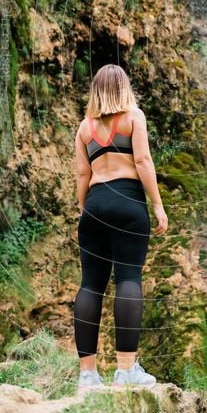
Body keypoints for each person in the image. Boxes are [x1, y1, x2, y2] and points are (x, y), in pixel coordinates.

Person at [73, 63, 168, 391]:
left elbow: (82, 176)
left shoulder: (85, 128)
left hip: (96, 204)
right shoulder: (133, 117)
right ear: (123, 88)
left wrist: (86, 210)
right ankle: (126, 371)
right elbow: (142, 161)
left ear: (96, 91)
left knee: (90, 286)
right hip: (128, 201)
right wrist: (157, 203)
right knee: (128, 278)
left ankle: (87, 376)